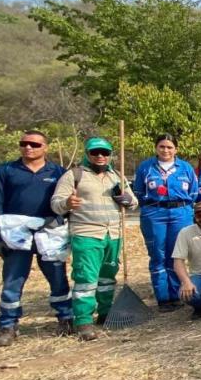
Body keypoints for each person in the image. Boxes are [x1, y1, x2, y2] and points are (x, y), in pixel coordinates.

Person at [0, 129, 73, 346]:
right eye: (24, 143)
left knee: (58, 277)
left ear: (45, 147)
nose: (29, 147)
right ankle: (8, 325)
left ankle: (65, 318)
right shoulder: (6, 170)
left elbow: (66, 203)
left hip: (49, 230)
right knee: (13, 280)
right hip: (16, 233)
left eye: (35, 145)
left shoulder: (58, 171)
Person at [51, 137, 137, 341]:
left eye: (105, 153)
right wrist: (66, 203)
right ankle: (83, 320)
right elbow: (55, 203)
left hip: (114, 233)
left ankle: (105, 312)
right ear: (87, 154)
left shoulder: (117, 175)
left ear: (110, 155)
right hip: (87, 233)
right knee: (86, 279)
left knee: (107, 277)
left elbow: (133, 203)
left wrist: (127, 200)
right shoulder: (74, 175)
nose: (100, 156)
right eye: (95, 152)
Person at [133, 134, 198, 312]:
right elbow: (138, 191)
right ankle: (163, 298)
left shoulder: (185, 168)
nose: (166, 150)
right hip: (155, 213)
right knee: (158, 254)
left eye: (170, 147)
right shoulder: (146, 167)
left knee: (176, 254)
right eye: (162, 146)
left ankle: (178, 294)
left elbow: (193, 193)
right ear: (156, 148)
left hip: (180, 213)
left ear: (176, 149)